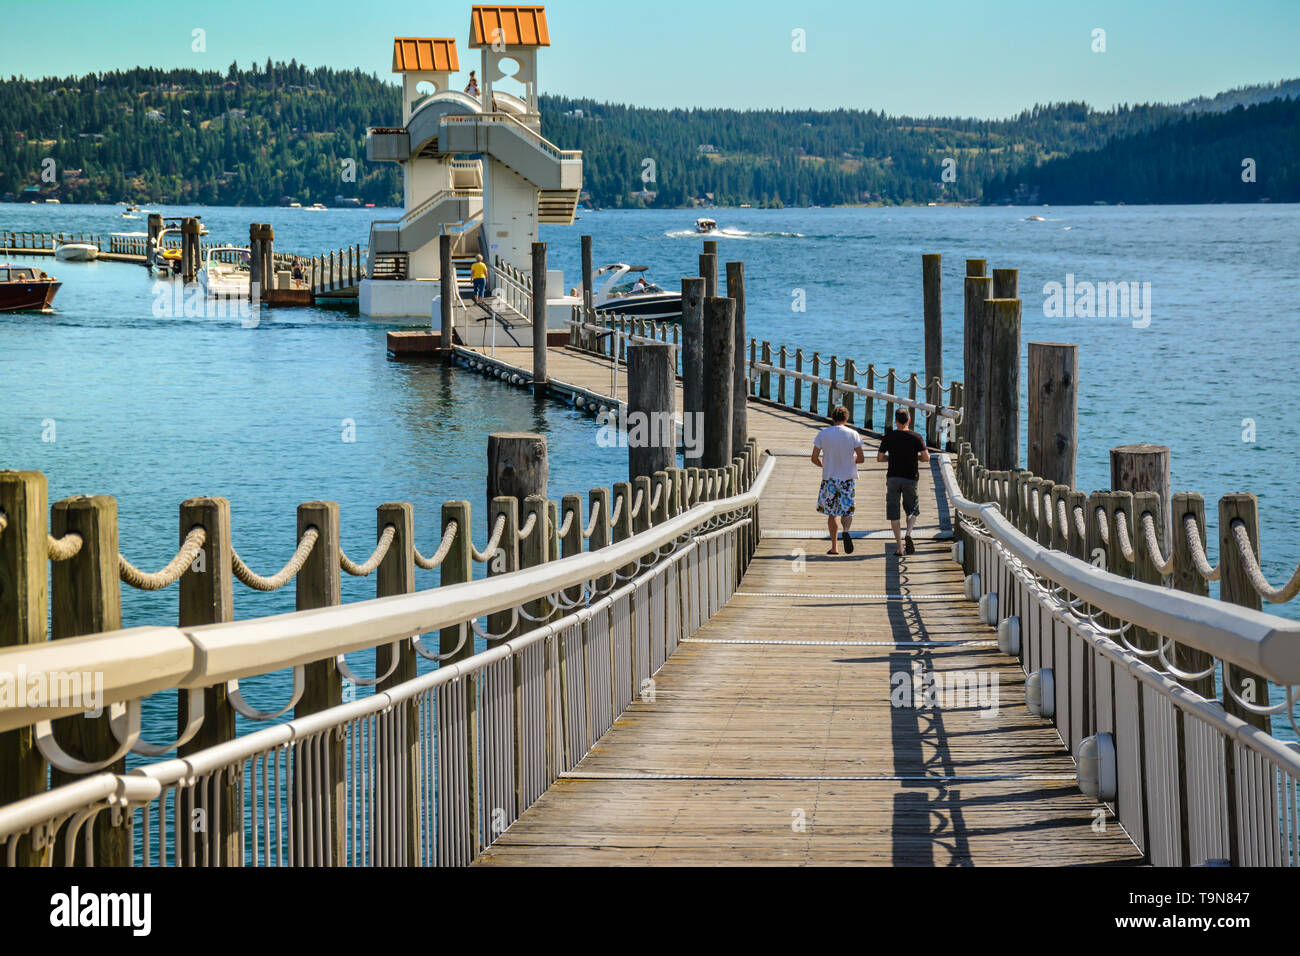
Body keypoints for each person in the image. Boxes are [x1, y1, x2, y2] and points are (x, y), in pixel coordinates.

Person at [811, 405, 865, 555]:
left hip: (829, 479)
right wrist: (851, 459)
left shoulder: (823, 434)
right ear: (846, 419)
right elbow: (861, 458)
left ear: (833, 418)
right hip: (847, 478)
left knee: (832, 513)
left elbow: (814, 458)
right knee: (847, 511)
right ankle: (846, 530)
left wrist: (824, 465)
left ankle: (834, 547)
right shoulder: (853, 434)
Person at [877, 408, 930, 555]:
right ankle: (908, 533)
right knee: (912, 509)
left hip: (893, 477)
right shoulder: (916, 437)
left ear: (895, 421)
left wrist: (891, 458)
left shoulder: (889, 437)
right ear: (909, 420)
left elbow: (880, 458)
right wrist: (915, 457)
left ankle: (900, 548)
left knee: (894, 513)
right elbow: (926, 458)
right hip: (910, 478)